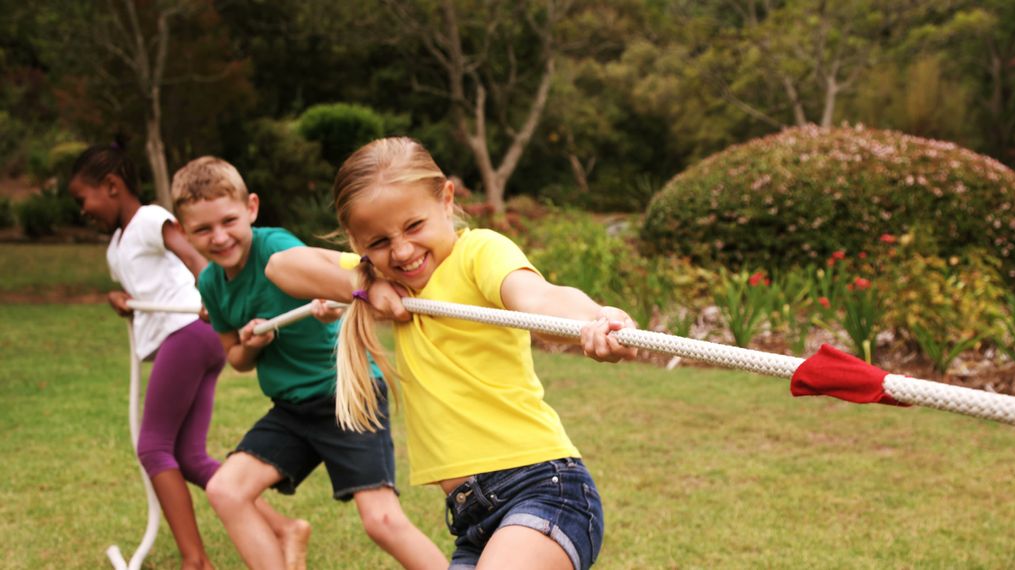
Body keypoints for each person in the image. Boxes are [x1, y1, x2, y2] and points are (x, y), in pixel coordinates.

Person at [265, 136, 638, 570]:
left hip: (544, 491)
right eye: (379, 241)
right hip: (473, 520)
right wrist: (365, 285)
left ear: (446, 199)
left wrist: (594, 318)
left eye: (413, 226)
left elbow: (535, 297)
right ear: (356, 241)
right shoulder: (385, 278)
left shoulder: (478, 253)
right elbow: (281, 267)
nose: (402, 250)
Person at [170, 156, 447, 570]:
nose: (220, 237)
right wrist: (254, 343)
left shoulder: (275, 245)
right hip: (292, 408)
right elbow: (236, 359)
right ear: (184, 232)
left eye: (228, 221)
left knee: (381, 521)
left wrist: (331, 305)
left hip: (347, 393)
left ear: (251, 208)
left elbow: (324, 279)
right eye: (203, 229)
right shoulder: (210, 284)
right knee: (226, 489)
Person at [68, 143, 230, 569]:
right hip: (192, 339)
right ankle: (277, 526)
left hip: (188, 332)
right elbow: (146, 284)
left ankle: (195, 561)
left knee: (153, 448)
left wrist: (212, 296)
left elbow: (193, 257)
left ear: (111, 186)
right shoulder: (117, 246)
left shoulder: (149, 219)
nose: (82, 210)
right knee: (190, 457)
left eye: (82, 198)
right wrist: (123, 298)